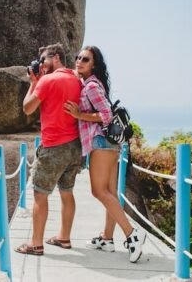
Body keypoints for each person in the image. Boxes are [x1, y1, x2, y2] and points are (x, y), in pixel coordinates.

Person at [64, 46, 146, 263]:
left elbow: (106, 115)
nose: (79, 61)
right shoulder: (93, 83)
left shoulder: (91, 85)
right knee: (109, 191)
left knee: (99, 191)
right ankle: (107, 238)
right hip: (109, 144)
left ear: (94, 65)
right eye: (78, 58)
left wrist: (78, 114)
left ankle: (132, 234)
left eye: (85, 59)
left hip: (101, 142)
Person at [14, 43, 82, 255]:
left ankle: (35, 244)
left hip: (53, 146)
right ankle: (64, 237)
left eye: (44, 59)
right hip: (74, 145)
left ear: (56, 58)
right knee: (67, 191)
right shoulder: (76, 79)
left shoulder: (47, 80)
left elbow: (28, 108)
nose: (41, 64)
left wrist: (33, 83)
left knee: (40, 195)